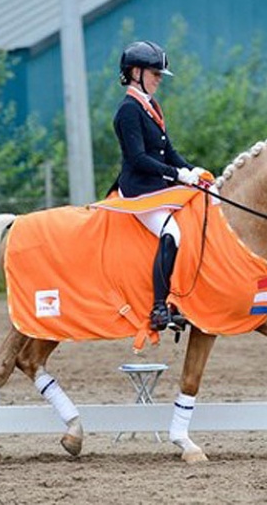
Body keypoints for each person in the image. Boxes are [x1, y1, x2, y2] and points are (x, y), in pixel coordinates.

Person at [113, 40, 210, 331]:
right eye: (154, 73)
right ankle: (158, 308)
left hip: (158, 185)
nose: (158, 79)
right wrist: (177, 174)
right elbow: (139, 158)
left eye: (159, 73)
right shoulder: (128, 111)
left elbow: (169, 151)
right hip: (139, 190)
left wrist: (194, 170)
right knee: (171, 232)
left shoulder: (151, 106)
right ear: (135, 72)